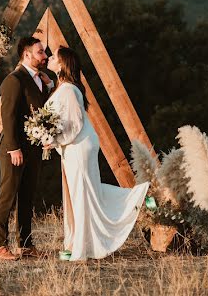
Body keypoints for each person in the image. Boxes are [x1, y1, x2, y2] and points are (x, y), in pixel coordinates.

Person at [45, 46, 149, 260]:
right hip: (73, 146)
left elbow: (74, 124)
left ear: (63, 64)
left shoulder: (70, 90)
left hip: (79, 146)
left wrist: (52, 139)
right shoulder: (63, 87)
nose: (49, 58)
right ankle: (79, 242)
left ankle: (133, 198)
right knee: (83, 192)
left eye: (54, 56)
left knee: (82, 192)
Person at [0, 36, 53, 260]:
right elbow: (7, 117)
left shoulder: (43, 79)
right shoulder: (13, 80)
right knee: (7, 196)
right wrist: (13, 148)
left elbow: (42, 111)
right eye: (40, 52)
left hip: (33, 148)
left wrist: (49, 86)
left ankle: (26, 245)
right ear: (27, 55)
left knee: (27, 197)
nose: (45, 56)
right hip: (13, 150)